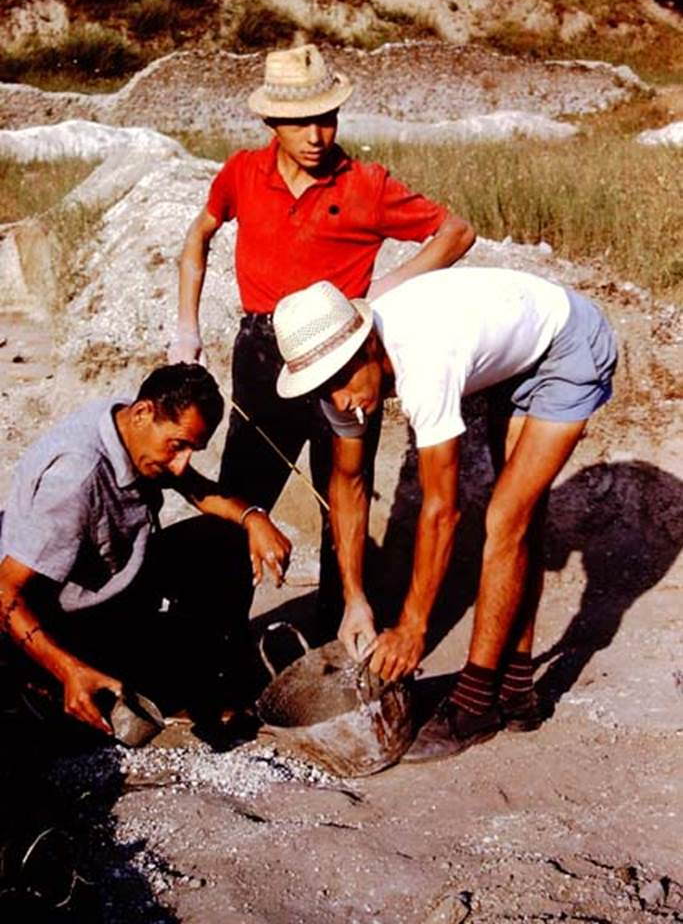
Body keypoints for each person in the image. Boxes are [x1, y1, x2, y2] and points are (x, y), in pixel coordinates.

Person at [168, 43, 475, 636]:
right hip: (263, 352)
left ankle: (338, 635)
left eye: (326, 118)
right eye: (299, 122)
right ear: (271, 122)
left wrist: (382, 290)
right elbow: (199, 235)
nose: (316, 135)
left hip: (344, 360)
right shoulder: (242, 173)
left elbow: (456, 232)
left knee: (343, 493)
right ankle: (216, 638)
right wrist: (187, 326)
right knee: (243, 494)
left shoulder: (367, 184)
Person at [271, 268, 618, 761]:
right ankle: (517, 692)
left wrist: (413, 628)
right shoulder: (340, 382)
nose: (341, 400)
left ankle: (475, 705)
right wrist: (355, 599)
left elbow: (441, 510)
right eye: (325, 388)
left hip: (568, 342)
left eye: (342, 381)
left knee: (506, 517)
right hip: (514, 356)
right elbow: (347, 483)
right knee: (519, 518)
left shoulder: (424, 359)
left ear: (369, 345)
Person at [0, 363, 290, 738]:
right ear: (142, 413)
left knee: (226, 538)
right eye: (178, 446)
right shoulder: (75, 478)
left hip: (117, 588)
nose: (181, 464)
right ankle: (50, 682)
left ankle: (204, 677)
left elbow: (196, 488)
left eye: (192, 449)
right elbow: (6, 590)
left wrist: (254, 517)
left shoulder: (131, 424)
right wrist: (67, 669)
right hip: (54, 623)